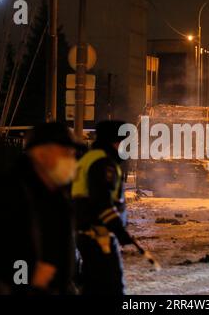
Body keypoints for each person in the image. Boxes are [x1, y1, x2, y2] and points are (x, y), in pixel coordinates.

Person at [0, 123, 82, 294]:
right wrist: (28, 274)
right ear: (42, 154)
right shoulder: (4, 192)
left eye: (73, 154)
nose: (72, 160)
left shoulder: (56, 195)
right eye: (66, 153)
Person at [72, 120, 133, 295]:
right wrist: (118, 229)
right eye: (122, 141)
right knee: (112, 287)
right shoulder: (103, 163)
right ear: (115, 141)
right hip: (99, 235)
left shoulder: (90, 158)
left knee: (92, 285)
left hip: (86, 233)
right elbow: (101, 201)